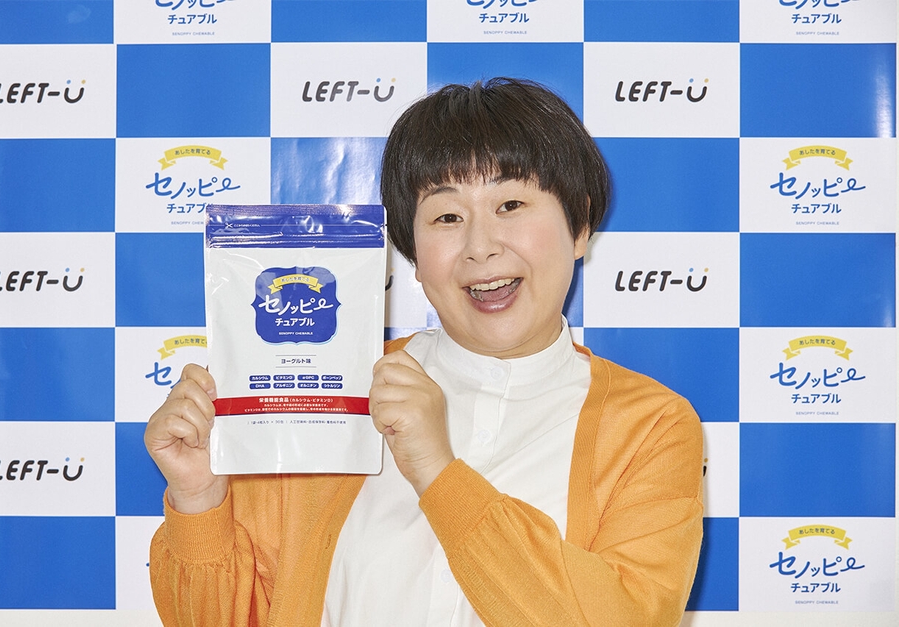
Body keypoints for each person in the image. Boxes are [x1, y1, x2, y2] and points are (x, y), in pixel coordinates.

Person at [145, 77, 704, 627]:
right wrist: (199, 497)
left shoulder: (651, 427)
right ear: (412, 251)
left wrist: (438, 473)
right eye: (447, 217)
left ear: (579, 225)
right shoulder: (331, 395)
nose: (480, 246)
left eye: (511, 203)